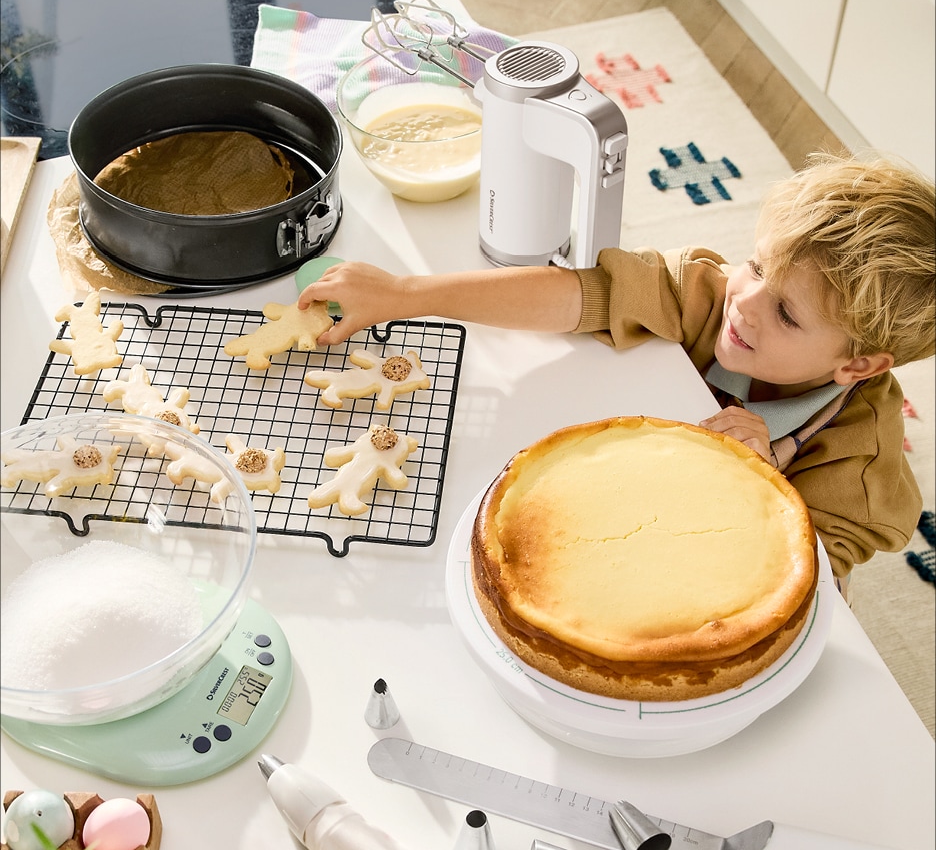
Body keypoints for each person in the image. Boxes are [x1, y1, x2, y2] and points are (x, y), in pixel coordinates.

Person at [299, 151, 936, 585]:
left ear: (859, 363)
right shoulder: (711, 293)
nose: (745, 300)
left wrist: (759, 484)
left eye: (787, 315)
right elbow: (579, 294)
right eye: (759, 265)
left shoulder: (860, 465)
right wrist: (406, 295)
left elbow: (804, 586)